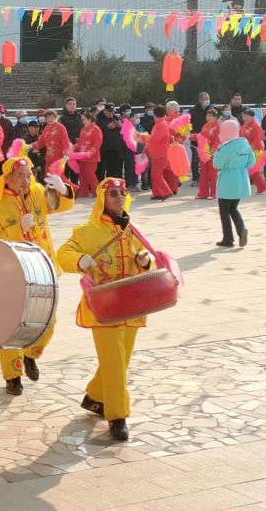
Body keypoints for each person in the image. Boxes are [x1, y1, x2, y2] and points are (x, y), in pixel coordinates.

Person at [58, 178, 154, 441]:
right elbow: (63, 253)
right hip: (105, 306)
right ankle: (117, 416)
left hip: (132, 305)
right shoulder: (86, 231)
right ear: (102, 198)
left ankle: (94, 397)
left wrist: (145, 261)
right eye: (113, 193)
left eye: (122, 192)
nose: (119, 196)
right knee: (114, 361)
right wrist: (79, 259)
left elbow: (148, 257)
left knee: (121, 359)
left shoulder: (132, 230)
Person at [0, 159, 73, 395]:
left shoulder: (37, 192)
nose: (26, 180)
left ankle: (31, 354)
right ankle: (12, 376)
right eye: (20, 175)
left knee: (49, 319)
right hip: (14, 272)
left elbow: (59, 206)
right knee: (11, 323)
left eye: (29, 174)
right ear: (8, 178)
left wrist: (63, 190)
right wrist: (18, 229)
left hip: (44, 266)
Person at [214, 120, 254, 247]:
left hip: (227, 181)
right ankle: (241, 229)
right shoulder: (245, 144)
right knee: (233, 208)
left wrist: (216, 154)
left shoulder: (225, 148)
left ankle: (228, 238)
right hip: (241, 180)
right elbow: (251, 162)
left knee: (224, 211)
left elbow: (217, 164)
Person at [147, 106, 178, 200]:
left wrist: (144, 137)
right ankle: (158, 193)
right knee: (154, 175)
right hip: (156, 153)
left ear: (155, 115)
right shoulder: (159, 124)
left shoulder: (161, 124)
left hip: (160, 153)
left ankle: (166, 192)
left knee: (156, 175)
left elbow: (156, 138)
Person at [32, 109, 71, 177]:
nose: (49, 119)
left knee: (58, 178)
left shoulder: (61, 128)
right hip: (48, 158)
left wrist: (66, 154)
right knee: (48, 177)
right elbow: (41, 142)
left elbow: (65, 142)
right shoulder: (46, 128)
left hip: (58, 158)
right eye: (48, 117)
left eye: (51, 117)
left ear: (55, 118)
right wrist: (31, 146)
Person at [240, 109, 266, 195]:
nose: (245, 118)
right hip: (246, 150)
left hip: (255, 151)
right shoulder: (244, 125)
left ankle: (262, 187)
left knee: (254, 170)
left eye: (247, 116)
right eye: (244, 116)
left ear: (252, 117)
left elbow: (257, 139)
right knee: (251, 170)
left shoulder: (256, 126)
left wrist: (250, 148)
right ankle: (261, 187)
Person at [75, 112, 102, 197]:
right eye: (82, 120)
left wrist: (90, 152)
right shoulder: (83, 129)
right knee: (82, 175)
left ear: (90, 119)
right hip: (82, 156)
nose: (82, 121)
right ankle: (84, 193)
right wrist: (73, 147)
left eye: (84, 119)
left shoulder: (96, 129)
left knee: (90, 174)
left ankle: (97, 192)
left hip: (92, 156)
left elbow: (98, 143)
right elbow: (80, 142)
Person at [196, 109, 221, 200]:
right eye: (207, 116)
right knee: (203, 173)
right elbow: (201, 137)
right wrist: (191, 136)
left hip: (213, 153)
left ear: (215, 117)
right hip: (204, 153)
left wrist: (213, 149)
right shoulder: (205, 126)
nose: (208, 118)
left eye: (210, 116)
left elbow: (218, 139)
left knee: (213, 174)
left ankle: (214, 193)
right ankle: (203, 193)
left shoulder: (218, 126)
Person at [188, 93, 212, 185]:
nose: (207, 100)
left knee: (208, 159)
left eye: (208, 98)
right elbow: (188, 125)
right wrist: (192, 134)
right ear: (200, 100)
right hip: (196, 139)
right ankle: (195, 179)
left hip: (209, 139)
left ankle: (208, 178)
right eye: (205, 98)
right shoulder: (192, 111)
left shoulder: (211, 110)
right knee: (195, 159)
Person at [95, 103, 123, 180]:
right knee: (100, 171)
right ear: (104, 110)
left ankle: (112, 185)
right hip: (103, 150)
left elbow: (123, 132)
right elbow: (96, 130)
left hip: (116, 150)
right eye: (109, 111)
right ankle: (100, 185)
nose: (111, 113)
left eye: (113, 111)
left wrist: (120, 126)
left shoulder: (116, 118)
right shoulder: (98, 119)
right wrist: (107, 127)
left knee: (114, 172)